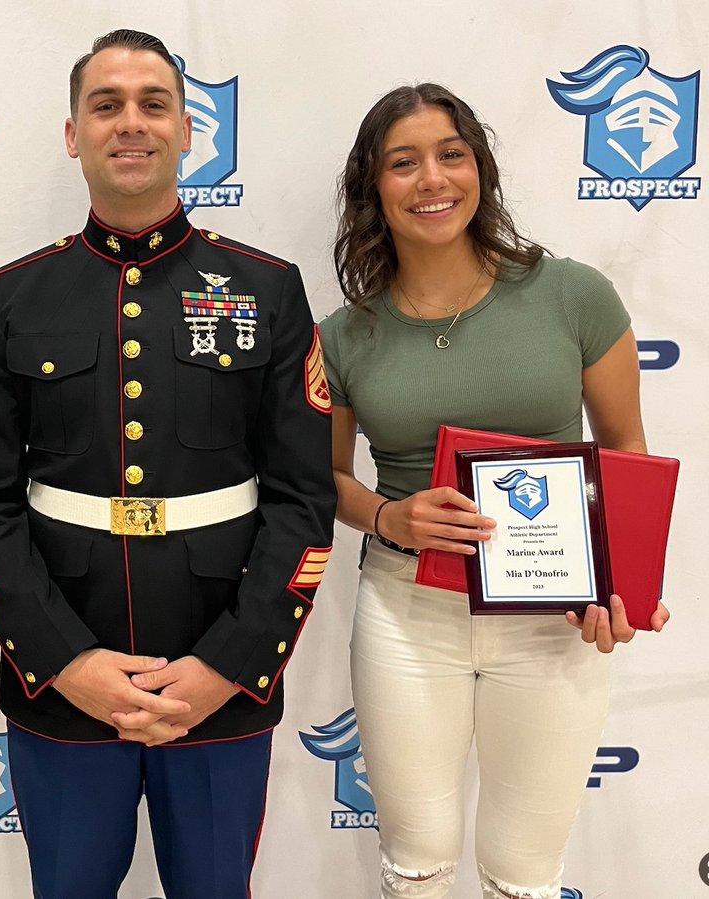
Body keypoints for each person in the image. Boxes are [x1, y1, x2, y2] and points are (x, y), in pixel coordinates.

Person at [0, 28, 335, 899]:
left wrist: (230, 663)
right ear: (73, 133)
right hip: (62, 681)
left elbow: (303, 505)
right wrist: (63, 661)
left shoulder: (263, 288)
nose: (131, 123)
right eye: (106, 104)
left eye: (153, 104)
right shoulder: (13, 295)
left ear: (188, 129)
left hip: (221, 680)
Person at [319, 83, 670, 899]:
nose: (432, 179)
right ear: (372, 188)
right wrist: (389, 515)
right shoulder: (345, 335)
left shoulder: (572, 293)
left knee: (523, 874)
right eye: (403, 163)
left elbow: (625, 449)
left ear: (480, 167)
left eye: (451, 154)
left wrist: (614, 581)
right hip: (408, 614)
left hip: (553, 618)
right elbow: (326, 479)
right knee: (418, 866)